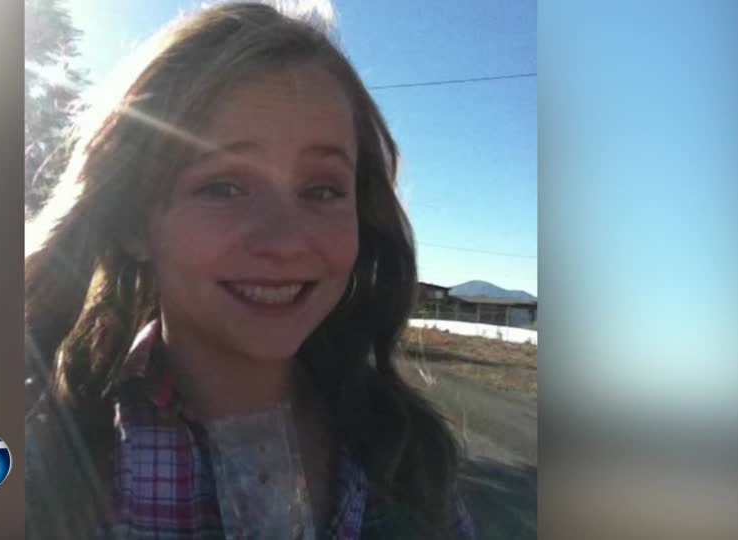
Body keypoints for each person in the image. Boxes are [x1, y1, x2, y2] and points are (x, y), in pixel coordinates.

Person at [25, 2, 474, 538]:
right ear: (134, 224)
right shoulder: (41, 452)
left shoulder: (405, 456)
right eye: (223, 187)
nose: (285, 241)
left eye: (322, 190)